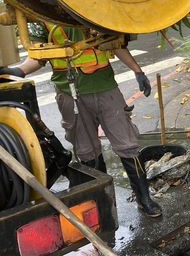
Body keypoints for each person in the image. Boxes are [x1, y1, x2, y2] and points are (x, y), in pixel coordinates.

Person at [0, 23, 162, 218]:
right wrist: (20, 71)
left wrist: (137, 70)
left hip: (105, 90)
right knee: (86, 152)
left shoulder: (87, 5)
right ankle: (103, 204)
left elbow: (114, 43)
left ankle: (144, 199)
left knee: (127, 144)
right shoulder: (42, 18)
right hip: (69, 96)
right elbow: (38, 55)